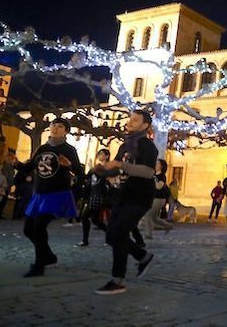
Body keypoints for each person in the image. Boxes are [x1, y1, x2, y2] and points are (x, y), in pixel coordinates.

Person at [94, 109, 158, 295]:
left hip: (140, 196)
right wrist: (101, 170)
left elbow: (147, 172)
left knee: (119, 232)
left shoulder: (148, 146)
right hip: (123, 194)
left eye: (135, 120)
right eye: (130, 119)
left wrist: (121, 165)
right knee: (111, 235)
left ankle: (117, 280)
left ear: (145, 125)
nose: (130, 122)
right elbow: (114, 169)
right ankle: (143, 256)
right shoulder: (125, 146)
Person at [19, 117, 82, 277]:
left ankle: (39, 265)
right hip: (39, 193)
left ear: (66, 131)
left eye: (60, 126)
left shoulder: (68, 149)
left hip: (56, 193)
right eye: (53, 125)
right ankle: (48, 255)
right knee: (28, 229)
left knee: (38, 227)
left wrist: (69, 165)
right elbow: (29, 167)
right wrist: (14, 162)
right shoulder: (42, 148)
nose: (55, 128)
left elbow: (79, 172)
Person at [76, 149, 110, 247]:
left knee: (85, 216)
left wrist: (92, 168)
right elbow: (88, 179)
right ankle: (109, 236)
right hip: (92, 195)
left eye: (101, 154)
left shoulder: (108, 167)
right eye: (98, 154)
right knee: (95, 220)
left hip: (99, 196)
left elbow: (104, 176)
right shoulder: (95, 168)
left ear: (107, 156)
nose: (99, 156)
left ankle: (85, 240)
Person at [141, 159, 173, 239]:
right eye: (156, 163)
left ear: (161, 166)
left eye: (158, 164)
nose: (156, 165)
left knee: (147, 215)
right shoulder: (154, 175)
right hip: (154, 198)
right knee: (154, 218)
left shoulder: (161, 176)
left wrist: (153, 179)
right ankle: (168, 226)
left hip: (159, 199)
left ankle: (148, 234)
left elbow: (159, 187)